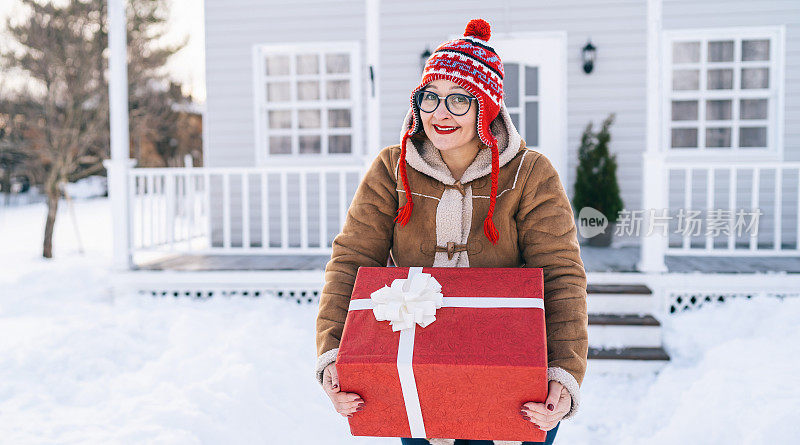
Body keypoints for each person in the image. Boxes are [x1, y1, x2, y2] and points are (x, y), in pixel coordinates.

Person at [314, 18, 588, 445]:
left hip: (510, 369)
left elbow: (560, 274)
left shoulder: (531, 174)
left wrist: (563, 373)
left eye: (459, 99)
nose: (440, 113)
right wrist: (335, 353)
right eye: (430, 97)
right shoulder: (392, 169)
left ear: (487, 107)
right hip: (417, 365)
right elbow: (352, 259)